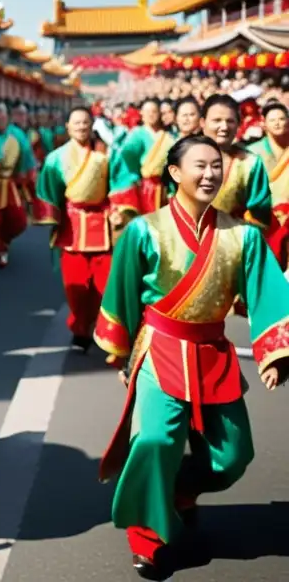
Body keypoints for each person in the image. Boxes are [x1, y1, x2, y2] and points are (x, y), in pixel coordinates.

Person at [94, 134, 289, 579]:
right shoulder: (144, 230)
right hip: (160, 348)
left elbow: (268, 295)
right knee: (154, 441)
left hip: (212, 352)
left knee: (232, 458)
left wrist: (274, 352)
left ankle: (178, 490)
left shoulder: (243, 237)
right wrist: (121, 353)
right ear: (175, 173)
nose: (209, 174)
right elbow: (122, 293)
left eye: (216, 167)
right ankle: (147, 539)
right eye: (199, 166)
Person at [32, 107, 137, 351]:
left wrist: (117, 209)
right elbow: (47, 191)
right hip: (72, 229)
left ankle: (107, 332)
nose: (81, 126)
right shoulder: (55, 158)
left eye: (85, 123)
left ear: (92, 126)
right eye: (76, 122)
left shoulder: (105, 155)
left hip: (102, 227)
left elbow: (120, 182)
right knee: (76, 289)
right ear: (67, 126)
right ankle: (80, 329)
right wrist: (51, 216)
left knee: (105, 286)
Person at [200, 94, 272, 229]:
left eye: (230, 121)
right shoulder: (184, 158)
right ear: (203, 123)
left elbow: (260, 215)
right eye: (217, 120)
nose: (224, 126)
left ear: (238, 124)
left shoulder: (250, 163)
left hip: (234, 243)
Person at [0, 102, 37, 268]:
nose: (1, 118)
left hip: (11, 184)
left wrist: (27, 175)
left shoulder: (18, 134)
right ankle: (0, 251)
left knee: (19, 220)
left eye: (4, 115)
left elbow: (27, 157)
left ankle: (5, 238)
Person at [114, 99, 175, 214]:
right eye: (147, 111)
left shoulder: (166, 136)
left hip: (164, 186)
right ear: (141, 113)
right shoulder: (137, 133)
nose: (151, 114)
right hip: (144, 186)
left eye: (154, 111)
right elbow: (127, 155)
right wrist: (136, 176)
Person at [249, 101, 289, 268]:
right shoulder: (253, 151)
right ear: (263, 123)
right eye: (273, 120)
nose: (278, 123)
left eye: (282, 118)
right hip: (265, 215)